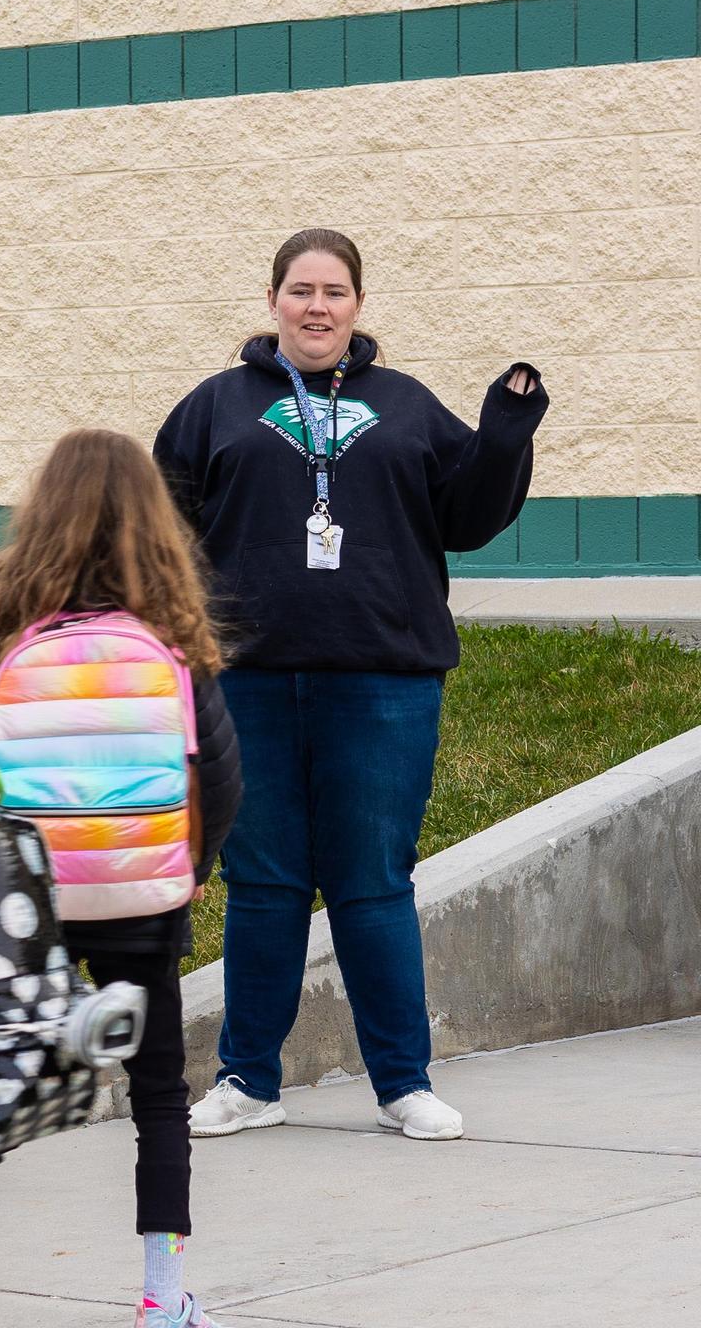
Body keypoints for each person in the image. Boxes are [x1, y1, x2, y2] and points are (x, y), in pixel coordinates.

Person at [153, 227, 547, 1144]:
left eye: (334, 291)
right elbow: (160, 529)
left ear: (358, 306)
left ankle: (403, 1083)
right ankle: (248, 1080)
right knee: (262, 882)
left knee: (373, 883)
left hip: (382, 682)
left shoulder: (408, 407)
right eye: (300, 290)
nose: (316, 307)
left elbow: (470, 517)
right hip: (246, 682)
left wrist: (503, 437)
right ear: (273, 300)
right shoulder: (214, 407)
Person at [0, 414, 243, 1328]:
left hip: (30, 898)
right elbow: (218, 770)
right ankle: (162, 1294)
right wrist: (193, 865)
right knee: (160, 1090)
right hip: (142, 895)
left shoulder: (10, 628)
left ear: (44, 516)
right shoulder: (171, 637)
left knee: (3, 1076)